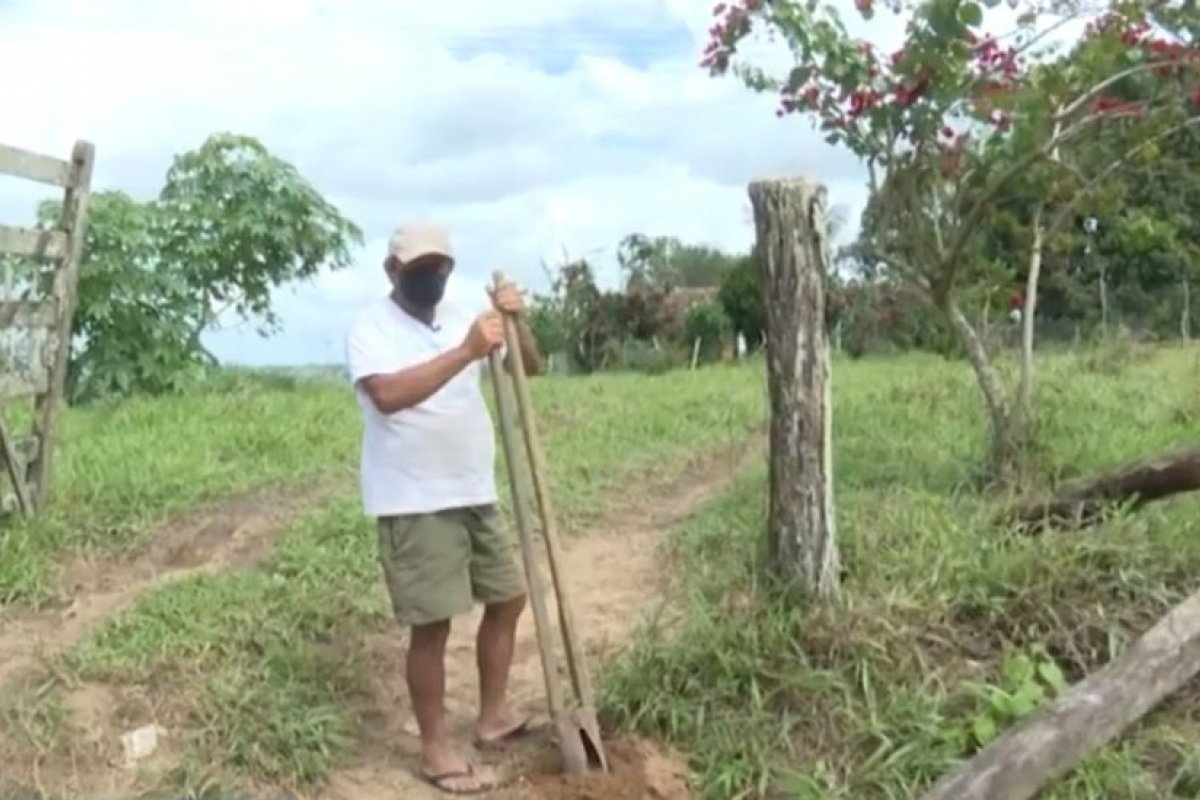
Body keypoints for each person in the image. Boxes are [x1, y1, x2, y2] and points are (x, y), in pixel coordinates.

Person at [345, 222, 543, 794]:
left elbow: (527, 368)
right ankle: (434, 748)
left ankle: (493, 715)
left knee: (509, 596)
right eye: (419, 268)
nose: (432, 277)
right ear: (392, 271)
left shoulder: (464, 319)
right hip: (414, 499)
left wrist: (514, 322)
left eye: (441, 268)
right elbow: (387, 397)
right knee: (432, 625)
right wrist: (464, 354)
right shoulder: (371, 328)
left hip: (474, 489)